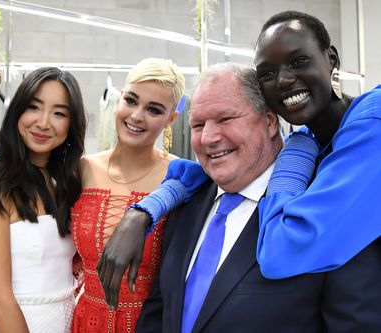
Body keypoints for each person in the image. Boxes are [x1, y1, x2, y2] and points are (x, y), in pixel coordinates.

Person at [97, 10, 381, 303]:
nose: (283, 80)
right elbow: (198, 173)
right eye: (267, 73)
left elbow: (280, 251)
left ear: (331, 59)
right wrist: (143, 211)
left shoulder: (372, 127)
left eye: (299, 61)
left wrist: (289, 166)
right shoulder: (320, 140)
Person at [136, 62, 381, 333]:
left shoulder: (325, 210)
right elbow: (160, 310)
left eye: (225, 119)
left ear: (269, 120)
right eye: (197, 125)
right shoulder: (185, 205)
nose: (208, 137)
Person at [0, 67, 87, 333]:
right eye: (34, 107)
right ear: (17, 111)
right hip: (16, 323)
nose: (43, 123)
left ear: (72, 122)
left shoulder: (71, 180)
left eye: (59, 113)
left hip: (68, 320)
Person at [70, 58, 184, 332]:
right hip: (85, 321)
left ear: (171, 119)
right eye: (131, 100)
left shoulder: (180, 176)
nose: (136, 116)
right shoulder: (81, 169)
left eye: (153, 109)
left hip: (150, 324)